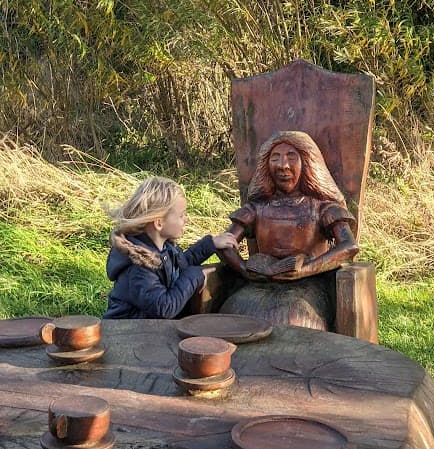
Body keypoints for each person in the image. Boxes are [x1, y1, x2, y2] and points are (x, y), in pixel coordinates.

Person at [218, 130, 359, 329]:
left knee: (294, 317)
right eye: (275, 158)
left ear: (308, 163)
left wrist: (306, 270)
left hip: (308, 285)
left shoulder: (321, 208)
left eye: (291, 157)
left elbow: (349, 246)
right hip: (260, 285)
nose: (283, 165)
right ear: (266, 166)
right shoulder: (258, 208)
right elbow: (225, 243)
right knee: (233, 311)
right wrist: (244, 270)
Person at [103, 176, 238, 319]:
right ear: (159, 223)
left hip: (148, 329)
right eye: (181, 215)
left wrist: (210, 244)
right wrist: (194, 275)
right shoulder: (138, 267)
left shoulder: (164, 247)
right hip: (127, 333)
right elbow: (165, 307)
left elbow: (180, 265)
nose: (186, 219)